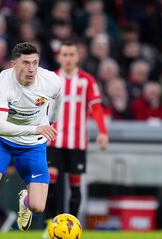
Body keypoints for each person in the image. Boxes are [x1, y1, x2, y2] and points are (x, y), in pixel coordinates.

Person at [0, 42, 61, 239]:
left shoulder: (51, 81)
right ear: (14, 64)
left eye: (35, 63)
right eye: (25, 63)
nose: (31, 68)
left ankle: (25, 199)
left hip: (33, 146)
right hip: (1, 141)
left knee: (38, 207)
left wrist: (50, 122)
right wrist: (36, 128)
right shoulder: (4, 83)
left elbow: (58, 100)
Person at [46, 41, 109, 221]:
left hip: (77, 141)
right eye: (64, 54)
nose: (68, 58)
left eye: (71, 54)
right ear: (59, 57)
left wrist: (102, 132)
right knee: (51, 183)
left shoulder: (86, 80)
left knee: (75, 185)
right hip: (53, 140)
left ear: (77, 57)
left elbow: (96, 108)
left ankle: (71, 223)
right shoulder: (51, 79)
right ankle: (53, 221)